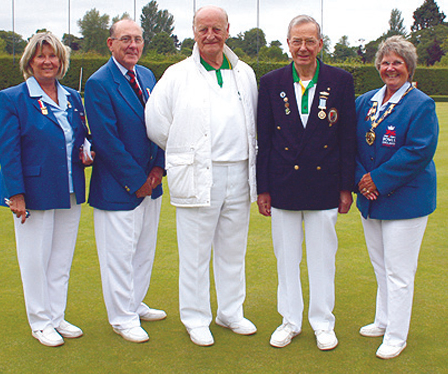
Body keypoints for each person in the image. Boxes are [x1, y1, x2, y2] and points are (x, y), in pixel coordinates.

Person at [145, 5, 258, 347]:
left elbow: (253, 120)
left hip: (239, 172)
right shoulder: (177, 74)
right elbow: (156, 122)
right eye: (203, 29)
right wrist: (185, 152)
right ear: (194, 32)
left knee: (233, 249)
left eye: (216, 29)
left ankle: (230, 312)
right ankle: (195, 317)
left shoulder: (245, 73)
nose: (210, 35)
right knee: (194, 252)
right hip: (197, 174)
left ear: (227, 30)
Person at [256, 15, 356, 351]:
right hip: (282, 182)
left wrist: (346, 186)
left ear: (320, 44)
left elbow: (346, 139)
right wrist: (263, 188)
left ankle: (323, 322)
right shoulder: (270, 82)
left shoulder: (340, 80)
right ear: (288, 43)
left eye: (309, 41)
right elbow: (264, 140)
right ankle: (290, 321)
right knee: (286, 258)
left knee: (322, 258)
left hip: (324, 183)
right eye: (296, 41)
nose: (303, 48)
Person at [0, 32, 94, 347]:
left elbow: (80, 137)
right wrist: (16, 193)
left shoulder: (72, 98)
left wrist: (88, 149)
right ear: (30, 61)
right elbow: (8, 152)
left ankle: (55, 316)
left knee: (61, 258)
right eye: (41, 56)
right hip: (33, 193)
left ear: (61, 61)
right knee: (35, 259)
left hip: (69, 188)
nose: (48, 61)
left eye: (53, 56)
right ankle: (40, 322)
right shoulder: (12, 98)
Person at [355, 35, 438, 360]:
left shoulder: (421, 104)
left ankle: (396, 335)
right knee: (380, 265)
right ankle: (383, 319)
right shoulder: (365, 102)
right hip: (371, 197)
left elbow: (418, 151)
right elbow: (352, 145)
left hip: (406, 201)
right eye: (386, 63)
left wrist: (375, 179)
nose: (390, 68)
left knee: (399, 272)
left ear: (409, 68)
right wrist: (361, 180)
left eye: (397, 63)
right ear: (379, 67)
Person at [84, 19, 166, 344]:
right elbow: (106, 141)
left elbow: (162, 124)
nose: (132, 45)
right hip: (119, 187)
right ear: (111, 43)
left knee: (144, 251)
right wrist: (137, 181)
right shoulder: (99, 83)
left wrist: (158, 170)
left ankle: (134, 302)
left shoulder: (146, 76)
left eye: (137, 39)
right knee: (119, 254)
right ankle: (122, 317)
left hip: (152, 182)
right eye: (125, 39)